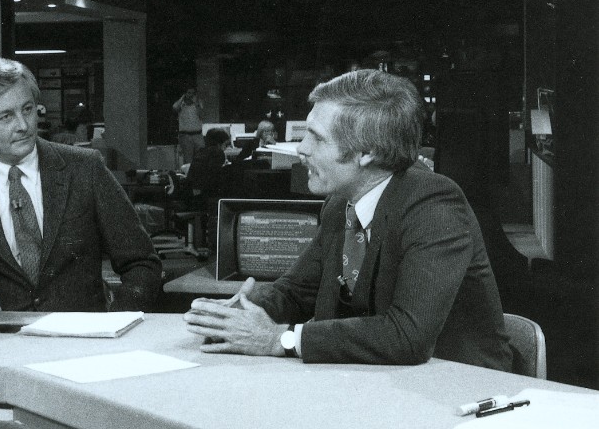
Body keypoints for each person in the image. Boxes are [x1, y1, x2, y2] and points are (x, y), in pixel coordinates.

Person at [184, 69, 512, 371]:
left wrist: (279, 339)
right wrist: (241, 312)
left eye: (317, 137)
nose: (301, 149)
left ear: (366, 152)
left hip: (457, 388)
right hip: (372, 379)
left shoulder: (434, 205)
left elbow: (407, 336)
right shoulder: (340, 203)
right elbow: (297, 292)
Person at [0, 58, 162, 322]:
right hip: (2, 344)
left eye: (27, 110)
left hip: (84, 343)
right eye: (6, 117)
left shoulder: (85, 169)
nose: (23, 125)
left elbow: (142, 264)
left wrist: (117, 322)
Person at [173, 87, 205, 164]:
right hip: (185, 135)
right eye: (189, 93)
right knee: (188, 160)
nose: (191, 95)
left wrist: (196, 103)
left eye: (193, 93)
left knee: (202, 157)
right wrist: (182, 98)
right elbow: (175, 108)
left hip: (198, 135)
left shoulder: (198, 103)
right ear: (185, 94)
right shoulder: (181, 104)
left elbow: (202, 115)